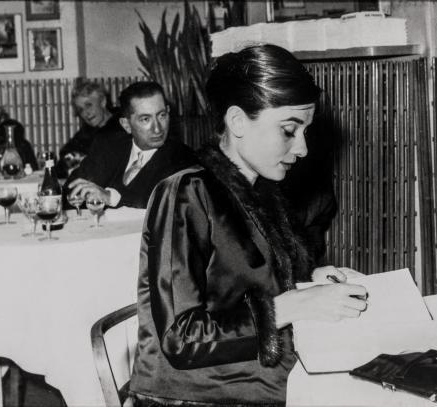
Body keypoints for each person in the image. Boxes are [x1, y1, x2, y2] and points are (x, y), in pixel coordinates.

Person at [128, 44, 368, 406]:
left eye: (305, 131)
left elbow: (242, 285)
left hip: (251, 378)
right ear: (238, 121)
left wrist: (310, 281)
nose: (302, 149)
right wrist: (292, 306)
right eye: (289, 130)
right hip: (194, 396)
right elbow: (181, 339)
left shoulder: (261, 190)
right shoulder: (185, 193)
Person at [66, 81, 196, 209]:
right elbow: (72, 189)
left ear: (168, 112)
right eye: (145, 119)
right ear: (126, 125)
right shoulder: (108, 146)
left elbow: (164, 207)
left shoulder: (184, 158)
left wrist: (110, 197)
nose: (157, 129)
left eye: (162, 115)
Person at [57, 80, 119, 177]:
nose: (86, 113)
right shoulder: (86, 132)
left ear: (103, 102)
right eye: (80, 109)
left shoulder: (124, 123)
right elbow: (64, 158)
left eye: (88, 105)